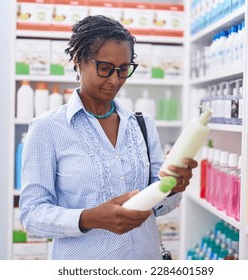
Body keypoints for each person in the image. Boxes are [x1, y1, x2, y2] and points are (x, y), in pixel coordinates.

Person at [19, 15, 198, 260]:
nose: (115, 80)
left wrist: (171, 187)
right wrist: (90, 218)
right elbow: (31, 214)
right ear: (78, 61)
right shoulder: (47, 128)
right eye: (104, 68)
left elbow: (160, 207)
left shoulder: (142, 125)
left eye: (123, 70)